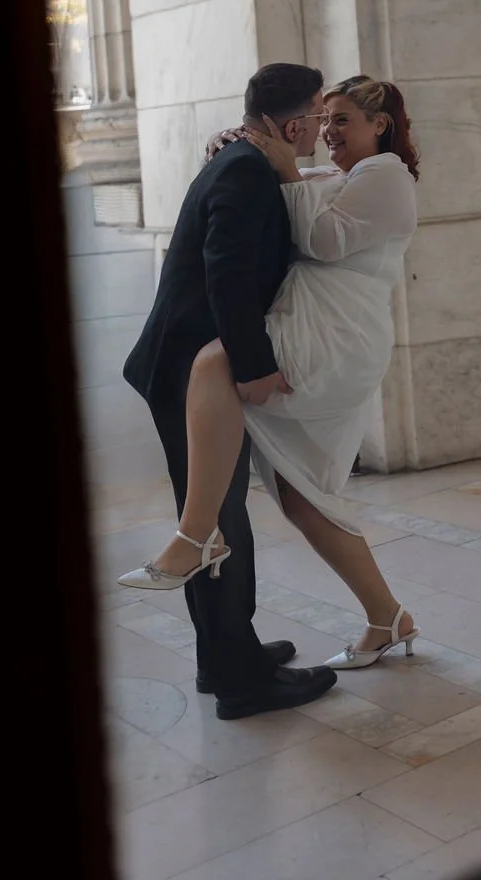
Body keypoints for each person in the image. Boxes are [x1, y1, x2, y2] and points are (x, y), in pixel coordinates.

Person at [123, 75, 422, 672]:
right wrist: (239, 144)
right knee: (301, 497)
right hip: (312, 320)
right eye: (323, 117)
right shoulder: (338, 174)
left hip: (335, 330)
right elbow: (281, 192)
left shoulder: (386, 174)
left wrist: (284, 168)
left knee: (215, 360)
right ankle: (388, 618)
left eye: (341, 119)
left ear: (380, 125)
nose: (328, 131)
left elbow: (322, 239)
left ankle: (197, 535)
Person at [120, 63, 338, 721]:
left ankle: (224, 657)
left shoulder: (245, 159)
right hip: (189, 372)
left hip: (189, 366)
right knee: (215, 524)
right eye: (318, 115)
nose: (322, 129)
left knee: (216, 519)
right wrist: (253, 366)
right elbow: (228, 278)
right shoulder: (244, 171)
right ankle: (241, 683)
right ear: (293, 125)